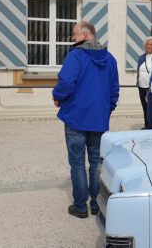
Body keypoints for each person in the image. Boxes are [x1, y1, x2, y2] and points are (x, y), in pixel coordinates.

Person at [52, 21, 119, 219]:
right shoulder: (110, 58)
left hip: (76, 116)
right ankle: (96, 204)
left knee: (78, 162)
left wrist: (57, 96)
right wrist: (107, 109)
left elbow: (65, 82)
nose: (73, 39)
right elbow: (114, 90)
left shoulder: (76, 55)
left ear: (86, 34)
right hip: (98, 117)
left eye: (74, 35)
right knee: (95, 162)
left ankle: (81, 206)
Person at [136, 37, 152, 129]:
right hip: (141, 86)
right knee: (145, 107)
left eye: (150, 44)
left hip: (151, 88)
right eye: (147, 44)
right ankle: (147, 125)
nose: (148, 46)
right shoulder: (141, 57)